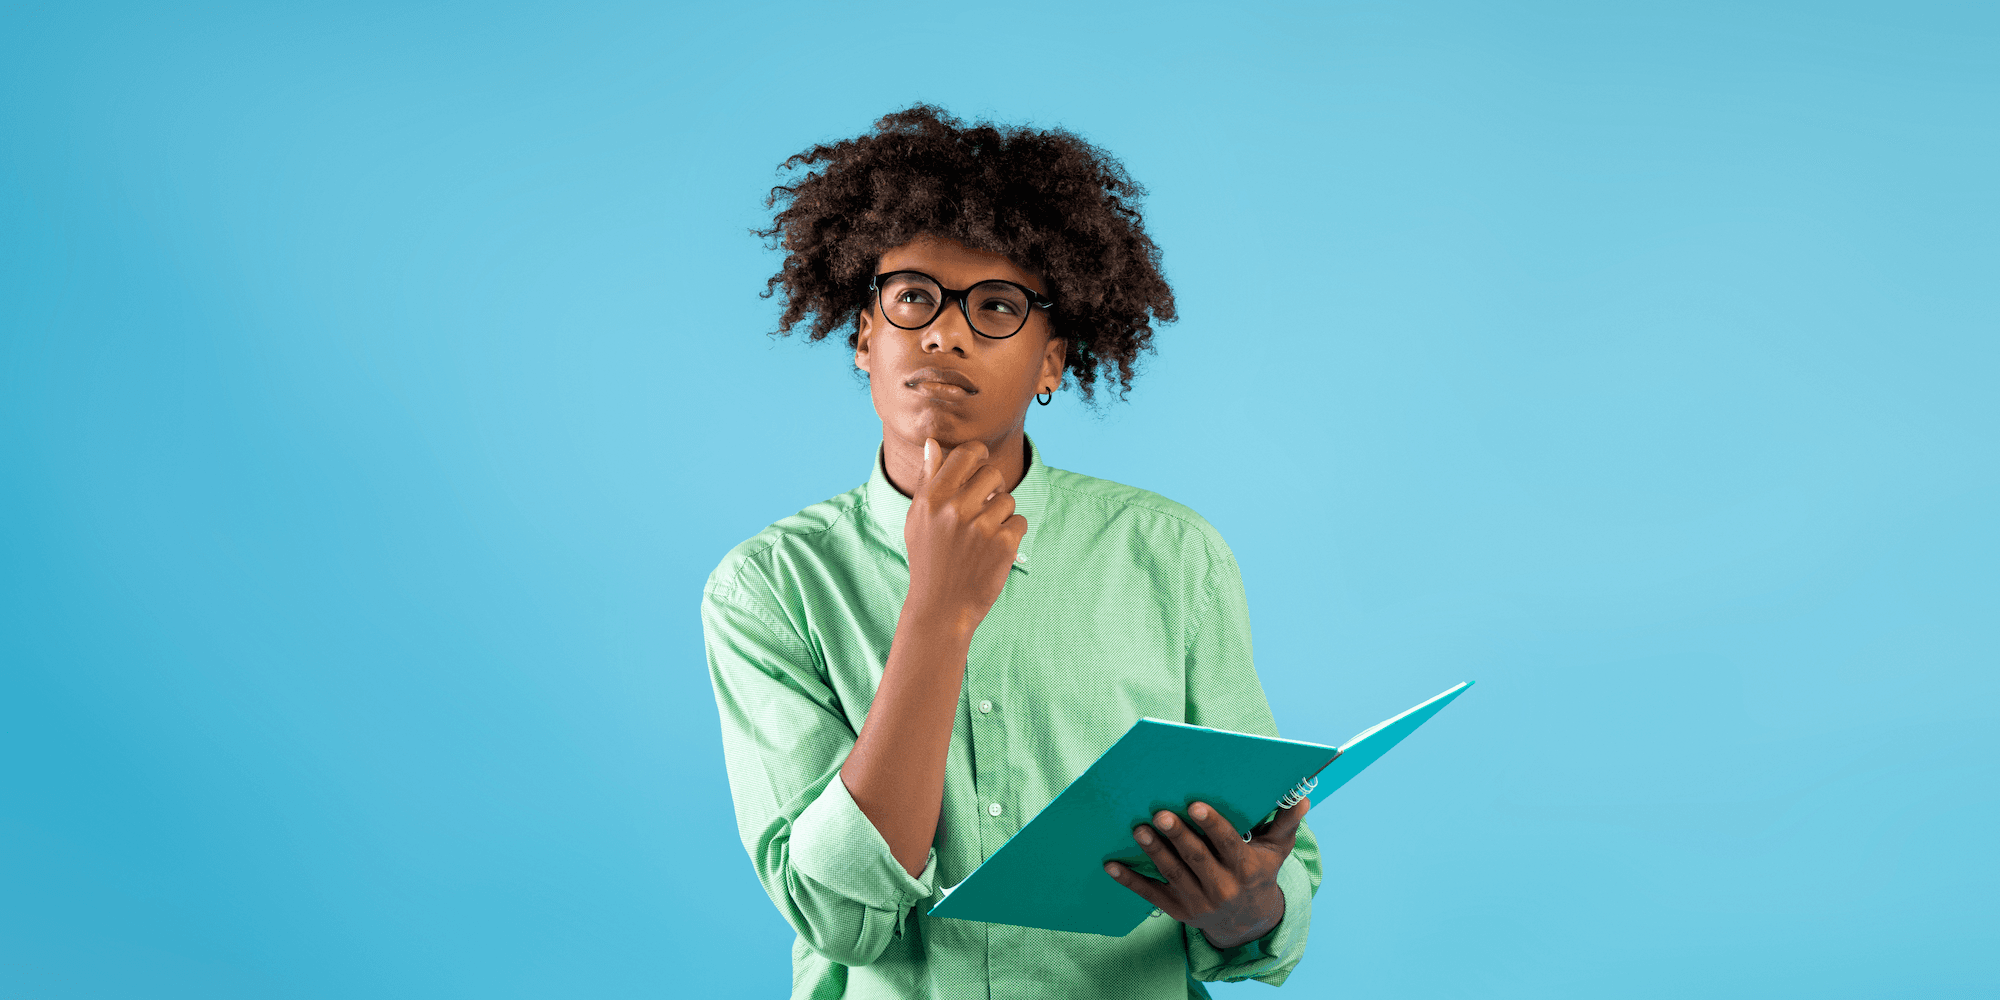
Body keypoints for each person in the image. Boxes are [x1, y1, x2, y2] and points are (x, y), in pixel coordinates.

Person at [702, 105, 1320, 999]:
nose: (944, 333)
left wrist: (1248, 911)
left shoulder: (1172, 555)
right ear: (864, 335)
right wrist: (937, 611)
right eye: (912, 297)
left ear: (1052, 364)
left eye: (995, 307)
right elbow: (838, 917)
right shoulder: (769, 588)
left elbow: (1273, 865)